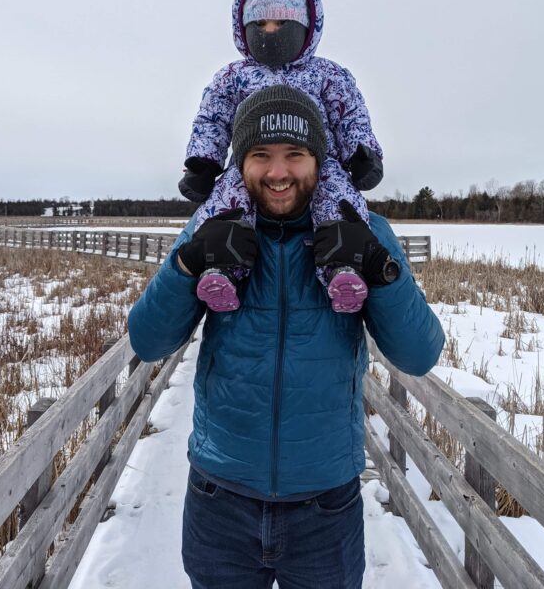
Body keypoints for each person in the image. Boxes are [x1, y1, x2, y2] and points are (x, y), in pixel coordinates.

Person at [128, 85, 445, 589]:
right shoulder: (211, 226)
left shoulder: (363, 230)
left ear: (318, 159)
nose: (278, 173)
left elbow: (418, 353)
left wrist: (380, 268)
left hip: (325, 506)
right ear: (240, 162)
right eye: (261, 155)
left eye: (294, 155)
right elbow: (148, 342)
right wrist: (187, 263)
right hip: (219, 500)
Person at [179, 0, 384, 315]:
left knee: (339, 199)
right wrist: (203, 163)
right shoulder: (233, 77)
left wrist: (362, 154)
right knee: (227, 199)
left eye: (281, 24)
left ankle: (343, 269)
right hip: (249, 164)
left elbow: (349, 112)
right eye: (260, 24)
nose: (270, 33)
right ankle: (221, 269)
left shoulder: (326, 74)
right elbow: (212, 118)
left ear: (306, 28)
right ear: (242, 28)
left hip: (321, 163)